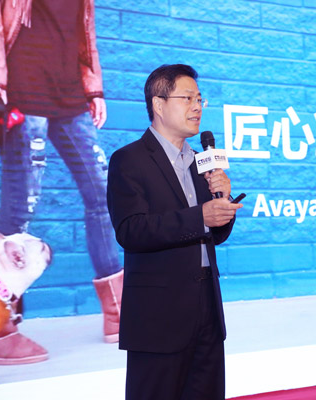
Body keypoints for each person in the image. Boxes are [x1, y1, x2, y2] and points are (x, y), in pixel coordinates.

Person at [0, 0, 124, 365]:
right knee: (21, 205)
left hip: (69, 90)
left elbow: (83, 32)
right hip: (22, 86)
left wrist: (93, 87)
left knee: (103, 194)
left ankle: (119, 313)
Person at [107, 64, 242, 400]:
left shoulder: (201, 162)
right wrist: (200, 216)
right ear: (158, 104)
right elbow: (131, 230)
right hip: (159, 317)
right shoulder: (129, 160)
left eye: (200, 99)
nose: (197, 107)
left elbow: (213, 235)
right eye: (187, 98)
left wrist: (222, 203)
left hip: (207, 310)